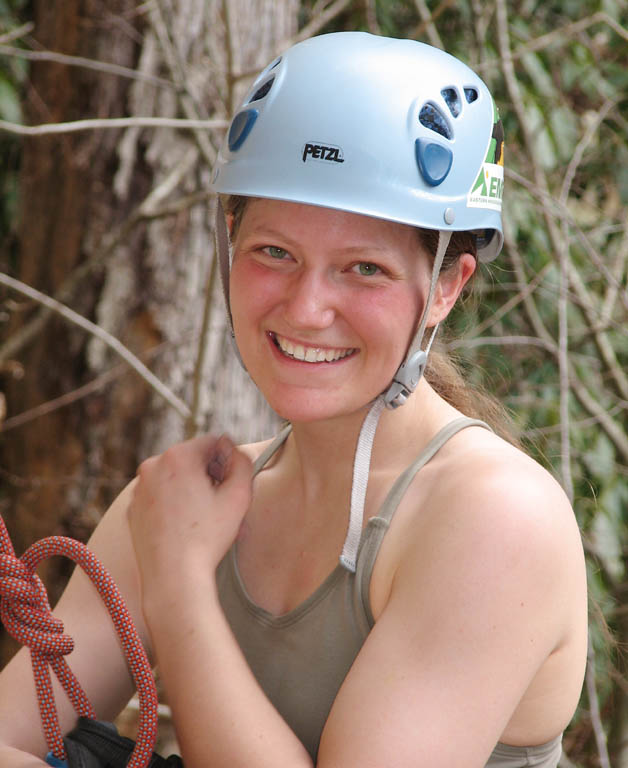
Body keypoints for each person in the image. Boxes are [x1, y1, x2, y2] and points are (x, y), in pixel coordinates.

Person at [0, 31, 587, 768]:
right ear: (230, 240)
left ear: (446, 285)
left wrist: (180, 586)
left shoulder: (496, 518)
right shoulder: (187, 506)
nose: (307, 308)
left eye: (363, 269)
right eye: (275, 253)